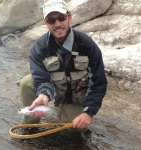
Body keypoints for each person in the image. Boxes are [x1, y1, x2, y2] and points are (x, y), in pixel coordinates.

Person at [18, 0, 107, 132]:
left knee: (74, 130)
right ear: (45, 23)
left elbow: (98, 83)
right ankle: (30, 126)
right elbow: (41, 78)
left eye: (61, 18)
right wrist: (43, 95)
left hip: (75, 94)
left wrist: (88, 112)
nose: (58, 24)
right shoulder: (40, 47)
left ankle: (66, 110)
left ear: (69, 18)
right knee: (26, 82)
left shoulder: (86, 45)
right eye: (51, 20)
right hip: (55, 88)